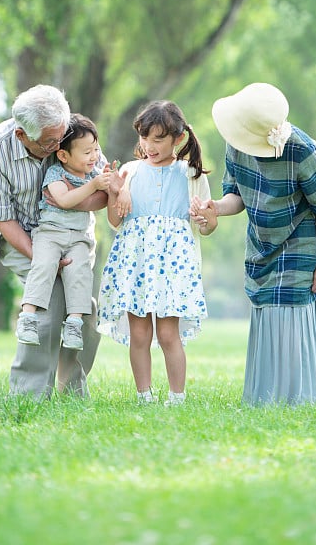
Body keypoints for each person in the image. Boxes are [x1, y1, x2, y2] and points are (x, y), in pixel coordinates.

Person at [191, 82, 316, 406]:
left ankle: (299, 398)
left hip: (303, 241)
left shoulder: (303, 151)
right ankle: (267, 397)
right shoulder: (238, 143)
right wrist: (214, 207)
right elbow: (237, 198)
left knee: (287, 311)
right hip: (262, 241)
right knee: (268, 310)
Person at [0, 85, 113, 398]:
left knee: (85, 312)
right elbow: (2, 218)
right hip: (21, 237)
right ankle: (29, 394)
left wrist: (66, 201)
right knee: (48, 304)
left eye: (60, 137)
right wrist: (42, 257)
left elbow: (102, 191)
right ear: (23, 135)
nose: (58, 147)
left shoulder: (69, 133)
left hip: (73, 235)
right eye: (50, 142)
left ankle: (71, 389)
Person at [98, 100, 212, 406]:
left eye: (158, 139)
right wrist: (114, 192)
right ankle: (144, 395)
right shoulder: (130, 172)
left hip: (172, 265)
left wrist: (205, 218)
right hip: (136, 263)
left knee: (167, 333)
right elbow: (114, 222)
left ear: (178, 138)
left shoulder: (191, 175)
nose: (149, 146)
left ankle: (177, 395)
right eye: (144, 138)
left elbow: (207, 224)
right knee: (139, 334)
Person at [16, 113, 113, 350]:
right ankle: (27, 316)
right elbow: (64, 200)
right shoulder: (55, 173)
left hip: (79, 238)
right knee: (44, 265)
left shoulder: (94, 174)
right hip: (50, 233)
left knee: (80, 274)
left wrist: (113, 183)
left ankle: (74, 322)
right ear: (63, 155)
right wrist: (93, 186)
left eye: (96, 150)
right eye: (87, 152)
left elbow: (111, 191)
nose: (94, 157)